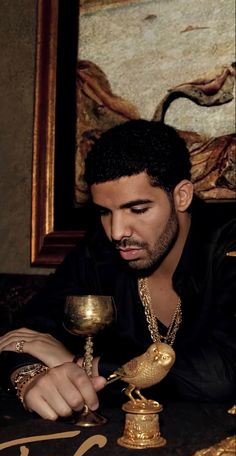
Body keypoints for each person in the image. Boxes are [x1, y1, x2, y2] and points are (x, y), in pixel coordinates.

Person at [0, 120, 235, 420]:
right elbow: (25, 332)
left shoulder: (228, 246)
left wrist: (85, 366)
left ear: (181, 196)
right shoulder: (100, 251)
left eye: (137, 210)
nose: (117, 231)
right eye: (104, 212)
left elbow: (220, 376)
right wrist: (29, 377)